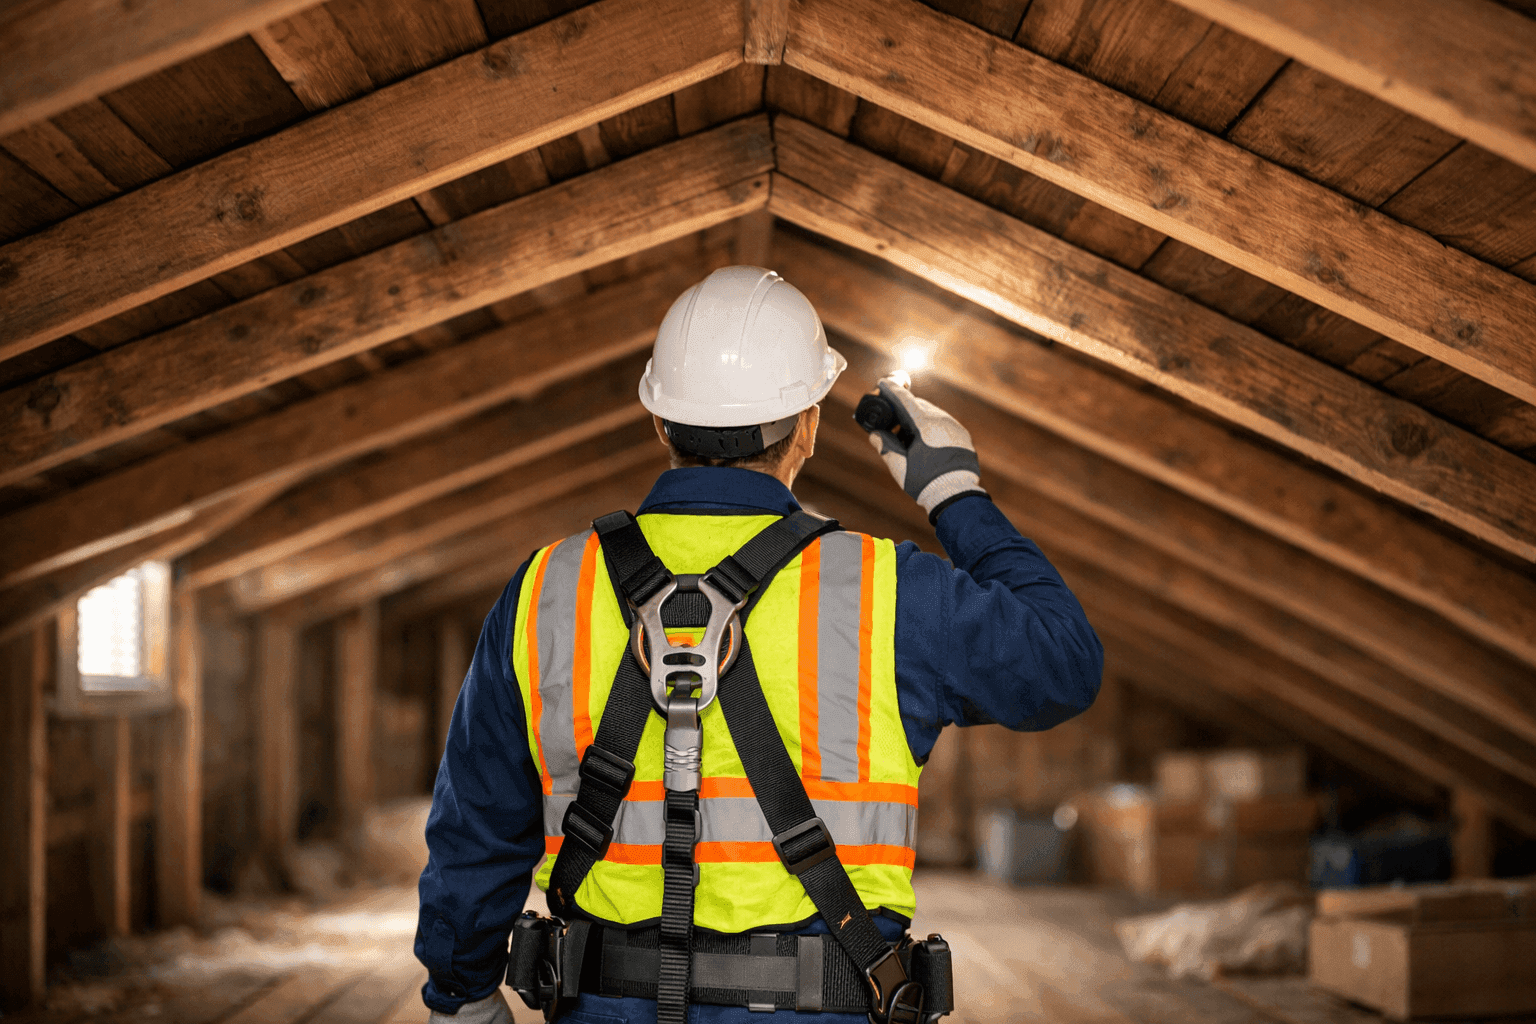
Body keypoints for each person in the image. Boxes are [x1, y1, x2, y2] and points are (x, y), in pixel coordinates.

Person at [415, 266, 1103, 1024]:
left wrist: (463, 993)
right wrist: (954, 493)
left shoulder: (547, 589)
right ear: (807, 426)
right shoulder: (888, 590)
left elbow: (476, 822)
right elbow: (1063, 661)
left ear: (659, 422)